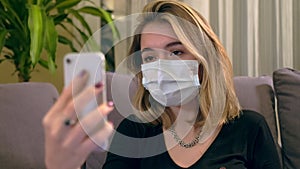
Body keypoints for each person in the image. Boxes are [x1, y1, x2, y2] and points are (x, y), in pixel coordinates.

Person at [43, 0, 280, 169]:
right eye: (150, 58)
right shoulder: (133, 132)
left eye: (176, 52)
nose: (162, 68)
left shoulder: (250, 128)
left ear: (204, 60)